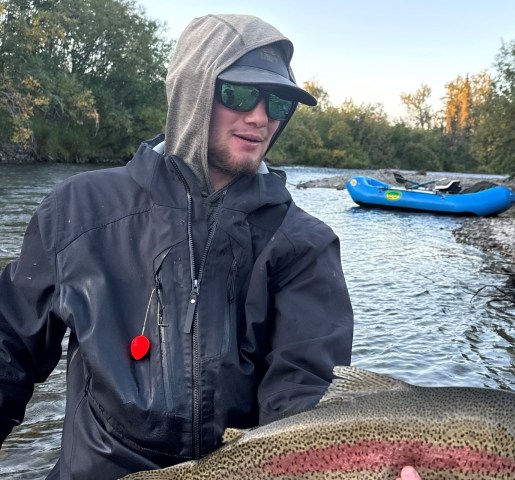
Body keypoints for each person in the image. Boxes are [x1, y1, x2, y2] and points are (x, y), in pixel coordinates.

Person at [0, 13, 423, 480]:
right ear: (193, 91)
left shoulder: (307, 245)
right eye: (239, 94)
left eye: (277, 102)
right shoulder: (79, 209)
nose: (260, 117)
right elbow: (9, 351)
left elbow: (305, 396)